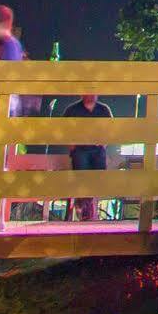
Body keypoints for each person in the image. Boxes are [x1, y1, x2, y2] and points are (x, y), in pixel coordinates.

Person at [60, 93, 112, 221]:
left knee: (97, 176)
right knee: (82, 175)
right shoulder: (72, 110)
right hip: (80, 149)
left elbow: (111, 128)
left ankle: (86, 206)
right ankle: (84, 207)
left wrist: (105, 143)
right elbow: (62, 128)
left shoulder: (103, 109)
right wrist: (70, 143)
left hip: (97, 148)